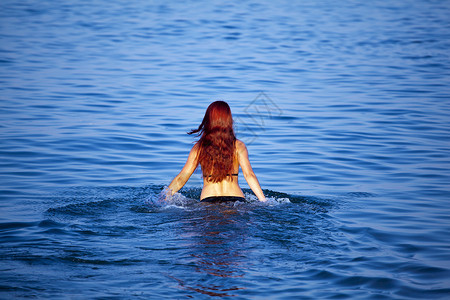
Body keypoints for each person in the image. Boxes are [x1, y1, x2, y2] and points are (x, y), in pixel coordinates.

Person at [167, 101, 266, 203]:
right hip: (236, 201)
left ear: (208, 120)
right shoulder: (238, 146)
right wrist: (264, 201)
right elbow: (249, 175)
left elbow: (182, 177)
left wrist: (164, 197)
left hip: (209, 201)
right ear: (229, 120)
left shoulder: (199, 148)